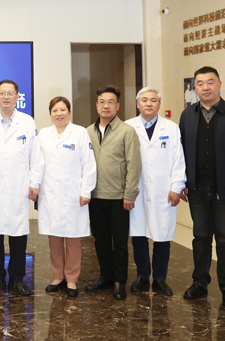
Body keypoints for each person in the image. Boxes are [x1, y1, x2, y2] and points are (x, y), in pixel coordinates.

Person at [179, 66, 225, 308]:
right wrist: (182, 182)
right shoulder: (187, 115)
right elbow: (180, 154)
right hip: (197, 188)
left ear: (220, 84)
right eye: (200, 83)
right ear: (195, 87)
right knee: (200, 237)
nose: (205, 87)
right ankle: (199, 283)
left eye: (210, 82)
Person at [0, 80, 44, 296]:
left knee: (19, 234)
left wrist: (34, 183)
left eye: (10, 93)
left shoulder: (27, 122)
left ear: (17, 97)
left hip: (19, 187)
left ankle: (17, 278)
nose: (6, 96)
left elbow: (36, 155)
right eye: (2, 93)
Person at [125, 87, 186, 297]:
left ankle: (160, 278)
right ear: (137, 104)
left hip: (163, 190)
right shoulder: (128, 127)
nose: (149, 103)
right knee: (138, 235)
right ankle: (142, 276)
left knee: (162, 235)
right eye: (144, 100)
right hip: (137, 189)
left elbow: (179, 160)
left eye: (153, 100)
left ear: (159, 104)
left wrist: (176, 187)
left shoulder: (171, 128)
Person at [85, 85, 141, 300]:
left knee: (119, 242)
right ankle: (105, 276)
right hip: (95, 196)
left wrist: (129, 194)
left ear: (117, 106)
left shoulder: (127, 131)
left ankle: (119, 281)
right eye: (102, 102)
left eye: (110, 102)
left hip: (118, 197)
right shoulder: (87, 132)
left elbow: (134, 165)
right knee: (100, 240)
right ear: (96, 105)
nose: (106, 106)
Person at [37, 97, 96, 298]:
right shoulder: (43, 134)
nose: (59, 114)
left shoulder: (79, 133)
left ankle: (71, 278)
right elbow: (37, 162)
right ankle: (57, 277)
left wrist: (86, 191)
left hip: (73, 195)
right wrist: (35, 185)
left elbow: (89, 164)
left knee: (72, 238)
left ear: (69, 113)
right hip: (50, 194)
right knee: (54, 237)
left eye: (63, 110)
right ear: (50, 114)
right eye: (55, 110)